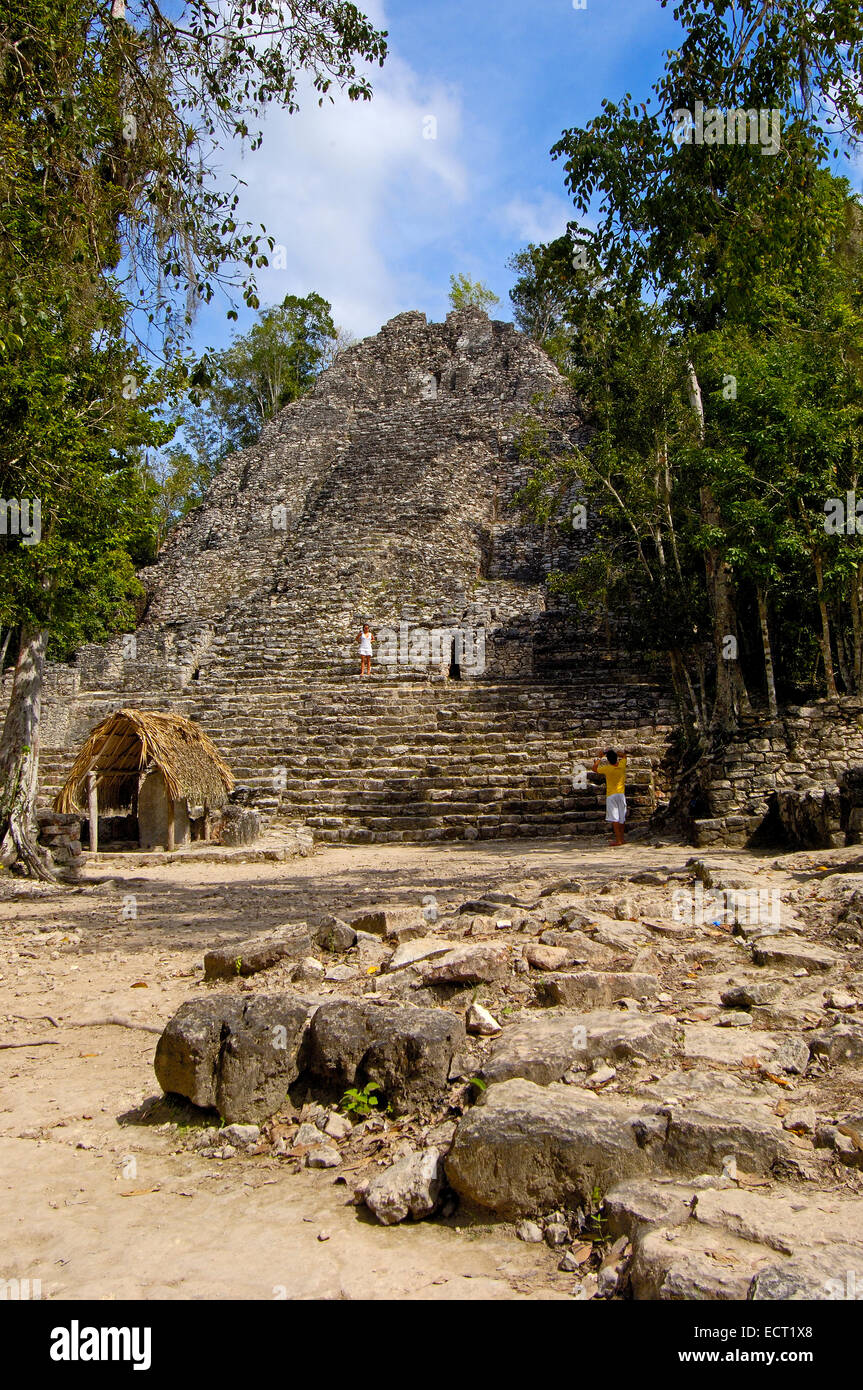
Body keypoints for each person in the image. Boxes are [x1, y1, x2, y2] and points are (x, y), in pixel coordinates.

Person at [593, 747, 627, 846]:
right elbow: (624, 756)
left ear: (608, 760)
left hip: (611, 795)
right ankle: (622, 838)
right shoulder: (622, 765)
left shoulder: (608, 768)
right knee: (622, 818)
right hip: (621, 794)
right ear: (616, 758)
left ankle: (618, 840)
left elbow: (594, 769)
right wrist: (618, 753)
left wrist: (600, 757)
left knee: (615, 818)